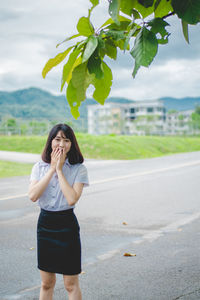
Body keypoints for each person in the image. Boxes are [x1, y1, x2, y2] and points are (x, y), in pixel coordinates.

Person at [28, 123, 89, 300]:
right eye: (57, 139)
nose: (61, 144)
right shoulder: (39, 167)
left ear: (72, 144)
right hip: (46, 224)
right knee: (47, 283)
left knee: (71, 284)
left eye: (66, 140)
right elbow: (33, 196)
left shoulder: (79, 169)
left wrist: (60, 170)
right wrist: (51, 169)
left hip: (67, 225)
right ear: (50, 142)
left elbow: (71, 198)